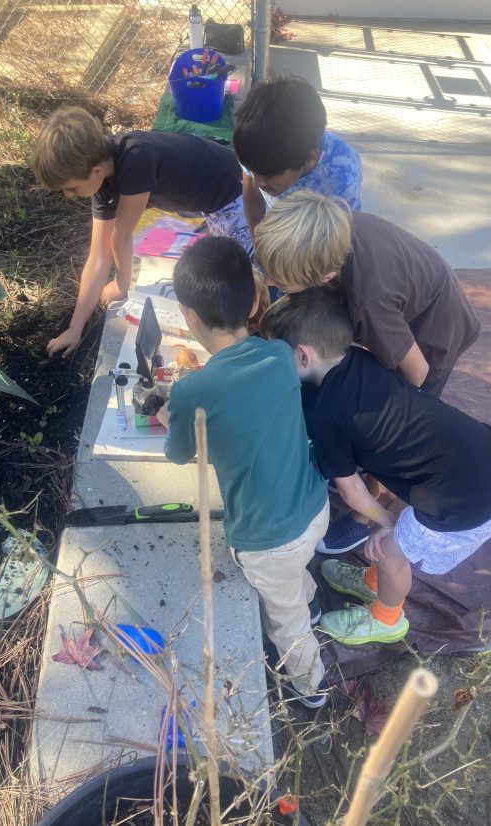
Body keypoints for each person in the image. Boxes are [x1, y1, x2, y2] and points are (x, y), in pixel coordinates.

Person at [260, 288, 491, 647]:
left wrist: (385, 523)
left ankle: (387, 619)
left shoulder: (325, 414)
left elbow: (352, 491)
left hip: (470, 502)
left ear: (303, 355)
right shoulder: (358, 357)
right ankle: (373, 582)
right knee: (394, 527)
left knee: (391, 550)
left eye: (278, 355)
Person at [156, 236, 329, 708]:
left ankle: (313, 689)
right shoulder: (279, 355)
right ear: (253, 301)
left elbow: (179, 454)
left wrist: (171, 418)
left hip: (268, 540)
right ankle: (313, 602)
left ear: (189, 318)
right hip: (314, 508)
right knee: (295, 577)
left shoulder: (194, 390)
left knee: (286, 621)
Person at [34, 106, 251, 357]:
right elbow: (98, 255)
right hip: (210, 204)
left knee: (242, 276)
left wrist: (122, 284)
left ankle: (255, 339)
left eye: (71, 188)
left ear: (96, 171)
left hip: (236, 192)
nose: (68, 195)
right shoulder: (101, 178)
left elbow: (121, 236)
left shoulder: (136, 156)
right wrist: (75, 327)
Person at [254, 189, 480, 398]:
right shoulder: (334, 227)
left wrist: (398, 405)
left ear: (326, 277)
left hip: (439, 328)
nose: (267, 281)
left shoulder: (370, 305)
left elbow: (418, 371)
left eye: (281, 281)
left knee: (415, 399)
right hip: (422, 282)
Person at [233, 76, 362, 239]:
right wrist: (259, 246)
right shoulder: (254, 149)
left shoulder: (342, 179)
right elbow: (252, 202)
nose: (256, 183)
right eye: (252, 170)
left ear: (310, 159)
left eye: (267, 174)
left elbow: (342, 238)